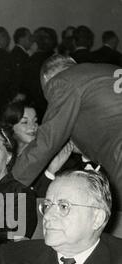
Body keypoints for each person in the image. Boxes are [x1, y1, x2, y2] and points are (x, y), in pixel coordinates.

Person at [12, 54, 122, 210]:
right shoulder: (109, 71)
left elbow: (47, 140)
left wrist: (11, 183)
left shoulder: (62, 81)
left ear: (46, 79)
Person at [2, 100, 81, 196]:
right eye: (25, 122)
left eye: (35, 121)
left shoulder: (57, 157)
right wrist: (50, 172)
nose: (33, 127)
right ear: (11, 126)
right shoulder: (4, 161)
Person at [22, 27, 58, 121]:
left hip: (37, 110)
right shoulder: (58, 60)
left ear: (36, 43)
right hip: (56, 108)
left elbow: (26, 88)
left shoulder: (31, 62)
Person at [9, 27, 32, 98]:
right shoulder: (20, 55)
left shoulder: (15, 53)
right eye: (29, 37)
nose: (31, 40)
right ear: (21, 39)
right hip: (21, 95)